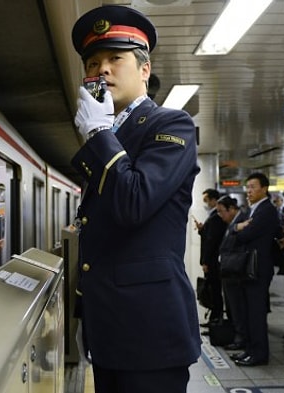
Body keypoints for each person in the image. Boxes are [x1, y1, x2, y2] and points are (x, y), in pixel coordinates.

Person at [70, 5, 200, 392]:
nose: (102, 70)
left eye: (115, 58)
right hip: (108, 328)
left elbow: (134, 202)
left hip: (150, 332)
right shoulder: (111, 133)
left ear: (144, 70)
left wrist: (97, 133)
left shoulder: (171, 125)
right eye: (93, 64)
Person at [229, 172, 281, 366]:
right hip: (250, 267)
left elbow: (244, 235)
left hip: (258, 268)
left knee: (257, 313)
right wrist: (240, 227)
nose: (248, 191)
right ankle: (249, 349)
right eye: (247, 187)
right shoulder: (254, 209)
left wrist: (237, 229)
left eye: (252, 187)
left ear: (264, 189)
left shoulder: (266, 210)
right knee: (249, 311)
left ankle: (259, 354)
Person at [216, 196, 248, 352]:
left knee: (237, 307)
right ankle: (237, 335)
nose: (220, 215)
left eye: (222, 211)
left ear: (232, 209)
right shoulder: (233, 223)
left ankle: (241, 338)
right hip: (229, 270)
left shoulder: (242, 220)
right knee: (232, 306)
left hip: (236, 271)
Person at [195, 188, 227, 326]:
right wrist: (202, 230)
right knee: (213, 289)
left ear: (214, 200)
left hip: (213, 261)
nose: (205, 203)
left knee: (214, 289)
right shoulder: (213, 216)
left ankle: (216, 318)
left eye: (206, 200)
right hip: (213, 260)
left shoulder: (216, 217)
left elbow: (211, 241)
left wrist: (206, 261)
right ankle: (214, 316)